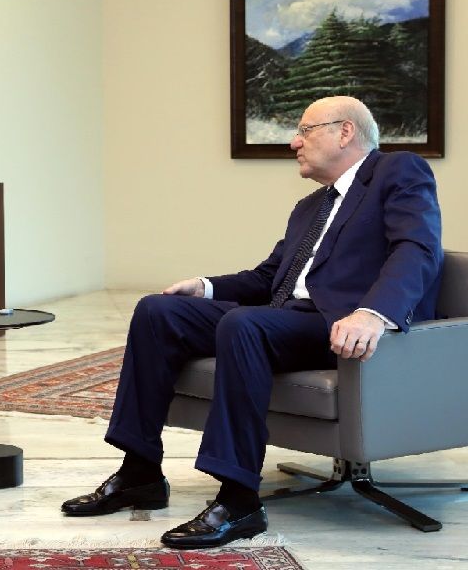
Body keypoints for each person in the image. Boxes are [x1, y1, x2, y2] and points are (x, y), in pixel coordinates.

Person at [61, 96, 443, 548]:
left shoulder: (398, 171)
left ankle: (238, 500)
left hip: (342, 323)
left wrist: (373, 313)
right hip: (284, 318)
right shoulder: (311, 207)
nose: (294, 142)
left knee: (245, 325)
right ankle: (139, 472)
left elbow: (417, 248)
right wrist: (204, 287)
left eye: (305, 130)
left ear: (345, 132)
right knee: (157, 311)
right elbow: (268, 278)